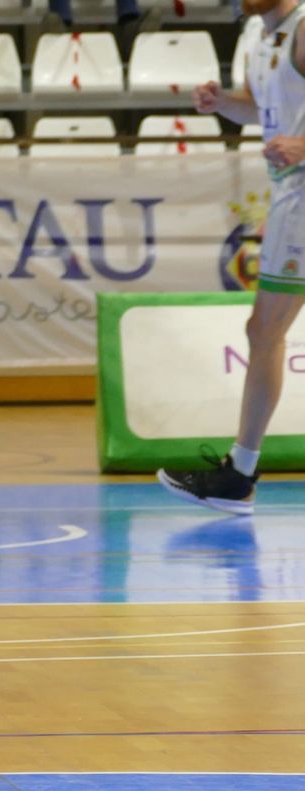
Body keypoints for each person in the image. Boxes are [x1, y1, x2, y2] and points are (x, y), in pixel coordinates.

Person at [159, 0, 305, 514]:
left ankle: (240, 476)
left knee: (265, 332)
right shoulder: (263, 37)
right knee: (264, 332)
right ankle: (239, 473)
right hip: (291, 194)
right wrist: (223, 103)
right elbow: (265, 108)